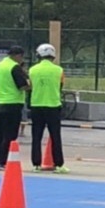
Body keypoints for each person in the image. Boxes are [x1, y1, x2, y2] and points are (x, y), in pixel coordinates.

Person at [28, 44, 68, 173]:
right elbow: (60, 86)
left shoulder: (32, 70)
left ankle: (36, 164)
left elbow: (30, 86)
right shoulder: (59, 70)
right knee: (55, 136)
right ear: (53, 55)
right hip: (53, 105)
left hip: (37, 105)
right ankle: (59, 164)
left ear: (38, 55)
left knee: (36, 136)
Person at [0, 45, 30, 170]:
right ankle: (4, 161)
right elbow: (23, 86)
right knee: (10, 134)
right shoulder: (14, 67)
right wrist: (29, 81)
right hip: (12, 104)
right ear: (18, 56)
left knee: (0, 134)